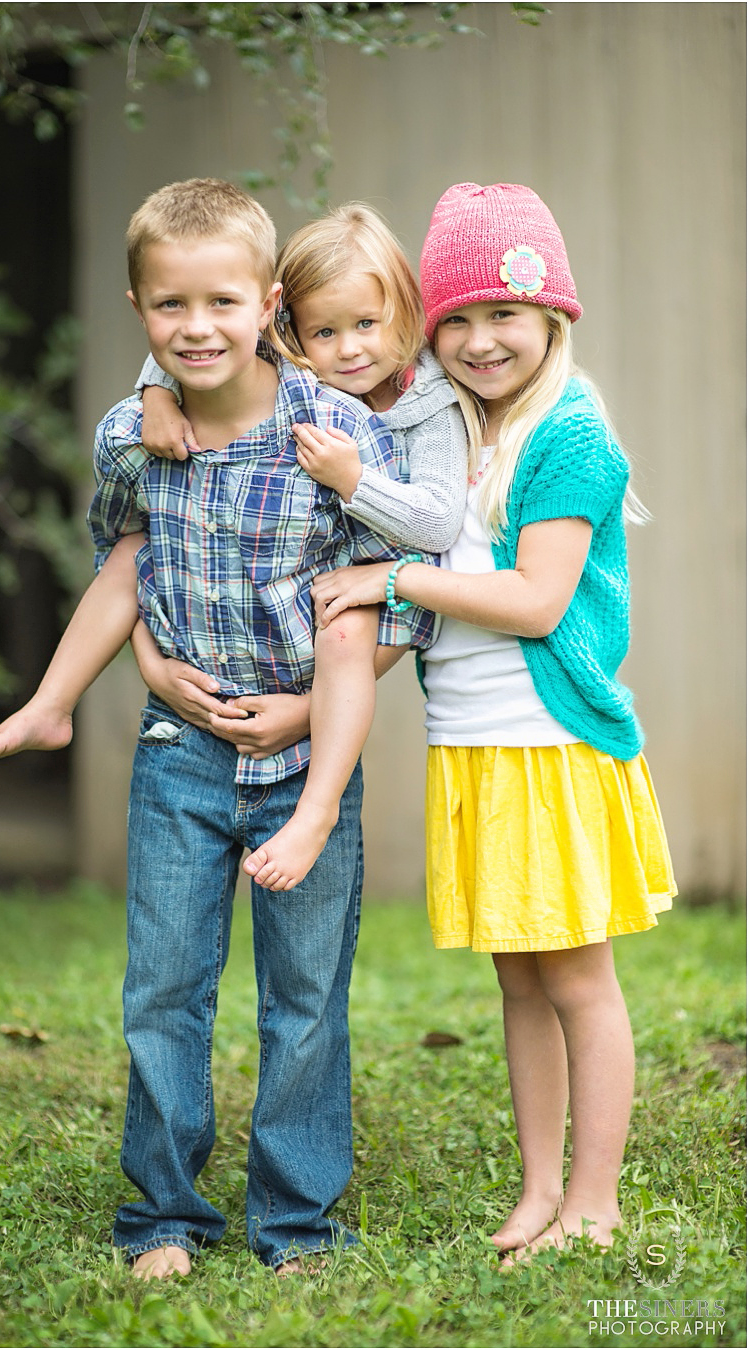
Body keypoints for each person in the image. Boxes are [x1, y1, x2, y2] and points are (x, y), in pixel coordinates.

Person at [0, 177, 435, 1278]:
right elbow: (120, 560)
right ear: (139, 308)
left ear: (268, 304)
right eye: (171, 307)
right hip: (176, 753)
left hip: (303, 750)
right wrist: (128, 672)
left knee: (305, 1000)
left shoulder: (335, 425)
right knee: (165, 991)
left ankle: (297, 1223)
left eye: (223, 304)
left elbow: (402, 590)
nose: (197, 328)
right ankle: (165, 1219)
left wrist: (315, 704)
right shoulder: (131, 436)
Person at [310, 182, 677, 1259]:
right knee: (518, 975)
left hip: (552, 748)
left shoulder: (570, 436)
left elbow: (535, 600)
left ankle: (595, 1201)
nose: (478, 341)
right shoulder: (451, 432)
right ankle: (537, 1189)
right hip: (471, 747)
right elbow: (294, 351)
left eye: (504, 315)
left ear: (553, 317)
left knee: (576, 976)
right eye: (456, 320)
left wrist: (397, 581)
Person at [139, 203, 468, 889]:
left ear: (403, 313)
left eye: (367, 325)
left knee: (344, 627)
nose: (349, 350)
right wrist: (154, 393)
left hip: (390, 582)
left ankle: (315, 814)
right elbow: (201, 331)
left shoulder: (429, 399)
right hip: (298, 596)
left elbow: (437, 526)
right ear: (285, 324)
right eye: (325, 331)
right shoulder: (280, 366)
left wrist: (352, 479)